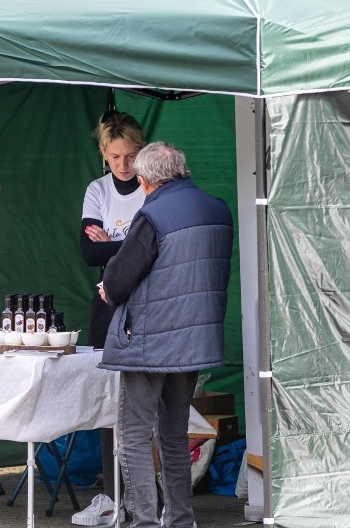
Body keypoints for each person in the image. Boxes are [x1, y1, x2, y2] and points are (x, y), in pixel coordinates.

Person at [98, 142, 234, 528]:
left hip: (149, 342)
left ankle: (144, 522)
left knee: (134, 434)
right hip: (196, 341)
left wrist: (108, 288)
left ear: (145, 180)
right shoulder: (218, 209)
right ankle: (180, 519)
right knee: (174, 433)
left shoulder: (152, 215)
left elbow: (120, 280)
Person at [73, 110, 146, 527]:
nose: (124, 165)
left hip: (148, 304)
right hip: (107, 303)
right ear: (103, 153)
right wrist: (133, 241)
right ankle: (111, 494)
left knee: (146, 397)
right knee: (108, 399)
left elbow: (160, 248)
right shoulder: (97, 190)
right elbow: (88, 254)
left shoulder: (153, 184)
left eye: (130, 156)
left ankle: (144, 495)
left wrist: (113, 242)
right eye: (116, 157)